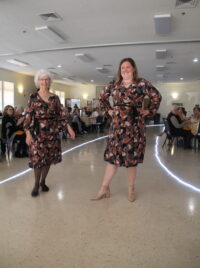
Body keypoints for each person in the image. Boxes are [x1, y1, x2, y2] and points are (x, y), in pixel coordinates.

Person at [91, 58, 162, 202]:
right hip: (117, 127)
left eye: (128, 67)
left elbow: (157, 96)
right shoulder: (114, 84)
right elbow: (102, 97)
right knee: (112, 159)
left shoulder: (141, 83)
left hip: (135, 128)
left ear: (134, 69)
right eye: (122, 67)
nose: (125, 70)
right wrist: (108, 111)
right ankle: (104, 188)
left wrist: (149, 111)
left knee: (131, 160)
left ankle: (131, 189)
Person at [23, 69, 75, 197]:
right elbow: (28, 116)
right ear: (38, 81)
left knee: (48, 160)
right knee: (38, 160)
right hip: (37, 133)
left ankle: (43, 182)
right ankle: (36, 184)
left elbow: (61, 116)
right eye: (41, 79)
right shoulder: (33, 97)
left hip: (52, 133)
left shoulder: (55, 98)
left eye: (46, 79)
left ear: (49, 82)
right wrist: (28, 134)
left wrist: (69, 128)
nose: (44, 82)